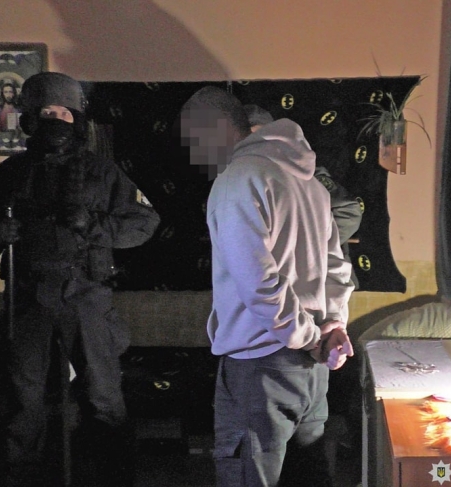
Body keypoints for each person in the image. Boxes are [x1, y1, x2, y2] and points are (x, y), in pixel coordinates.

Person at [0, 72, 160, 487]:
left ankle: (111, 476)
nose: (55, 121)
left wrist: (94, 226)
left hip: (86, 295)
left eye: (63, 113)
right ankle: (22, 474)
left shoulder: (102, 172)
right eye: (46, 113)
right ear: (30, 119)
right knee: (24, 396)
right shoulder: (10, 173)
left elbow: (144, 222)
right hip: (29, 297)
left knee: (102, 394)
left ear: (76, 119)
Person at [179, 87, 354, 486]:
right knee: (308, 477)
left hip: (261, 366)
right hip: (312, 370)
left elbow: (259, 283)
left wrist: (307, 337)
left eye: (195, 136)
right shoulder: (311, 185)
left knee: (247, 476)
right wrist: (332, 325)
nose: (194, 151)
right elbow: (336, 267)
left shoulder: (237, 180)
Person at [243, 104, 362, 288]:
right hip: (268, 281)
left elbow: (348, 212)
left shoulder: (301, 170)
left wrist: (304, 247)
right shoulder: (238, 177)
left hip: (322, 283)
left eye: (258, 138)